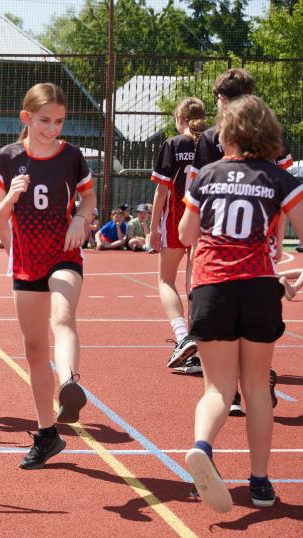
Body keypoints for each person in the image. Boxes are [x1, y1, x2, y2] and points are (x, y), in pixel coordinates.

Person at [179, 95, 303, 513]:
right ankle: (261, 482)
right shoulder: (278, 179)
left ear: (227, 133)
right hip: (258, 287)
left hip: (211, 286)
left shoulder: (206, 175)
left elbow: (185, 234)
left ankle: (202, 447)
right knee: (255, 388)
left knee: (217, 387)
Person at [0, 82, 97, 469]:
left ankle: (69, 383)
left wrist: (81, 218)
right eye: (45, 121)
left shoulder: (72, 157)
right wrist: (11, 196)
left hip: (64, 254)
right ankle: (48, 434)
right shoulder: (7, 158)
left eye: (59, 122)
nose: (53, 128)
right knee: (34, 348)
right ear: (27, 118)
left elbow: (89, 197)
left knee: (63, 317)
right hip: (26, 261)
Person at [188, 67, 292, 416]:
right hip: (259, 241)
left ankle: (230, 392)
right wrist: (277, 245)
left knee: (219, 318)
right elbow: (282, 195)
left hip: (217, 245)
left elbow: (195, 200)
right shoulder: (269, 131)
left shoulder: (211, 138)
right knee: (254, 322)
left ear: (221, 99)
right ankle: (249, 383)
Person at [148, 97, 208, 374]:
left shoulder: (173, 144)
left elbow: (162, 190)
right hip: (204, 220)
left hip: (176, 219)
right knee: (194, 284)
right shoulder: (213, 142)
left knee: (165, 280)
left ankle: (183, 336)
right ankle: (199, 347)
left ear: (179, 119)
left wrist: (153, 228)